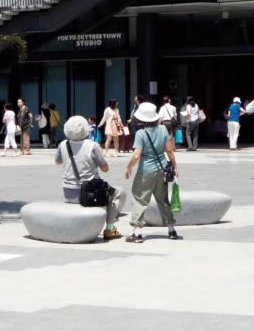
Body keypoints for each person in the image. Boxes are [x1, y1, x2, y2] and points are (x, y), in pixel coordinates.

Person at [56, 115, 128, 240]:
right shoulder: (92, 145)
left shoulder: (63, 144)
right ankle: (110, 229)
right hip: (90, 194)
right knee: (119, 193)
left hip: (68, 192)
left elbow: (58, 162)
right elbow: (105, 168)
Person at [123, 101, 180, 243]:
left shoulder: (141, 133)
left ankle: (137, 233)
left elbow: (136, 155)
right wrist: (175, 167)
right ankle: (171, 229)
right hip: (162, 170)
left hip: (145, 172)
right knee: (163, 200)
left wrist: (128, 167)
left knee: (139, 199)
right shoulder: (162, 130)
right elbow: (169, 151)